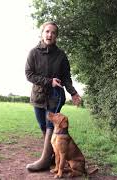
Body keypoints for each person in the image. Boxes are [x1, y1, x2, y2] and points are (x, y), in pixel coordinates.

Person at [25, 21, 82, 172]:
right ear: (42, 33)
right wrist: (49, 81)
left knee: (51, 125)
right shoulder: (33, 53)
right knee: (44, 127)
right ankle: (52, 157)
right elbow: (29, 75)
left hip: (55, 98)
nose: (50, 35)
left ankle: (44, 161)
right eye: (47, 31)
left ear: (56, 36)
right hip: (38, 97)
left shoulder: (61, 55)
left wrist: (74, 93)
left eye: (53, 33)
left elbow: (66, 77)